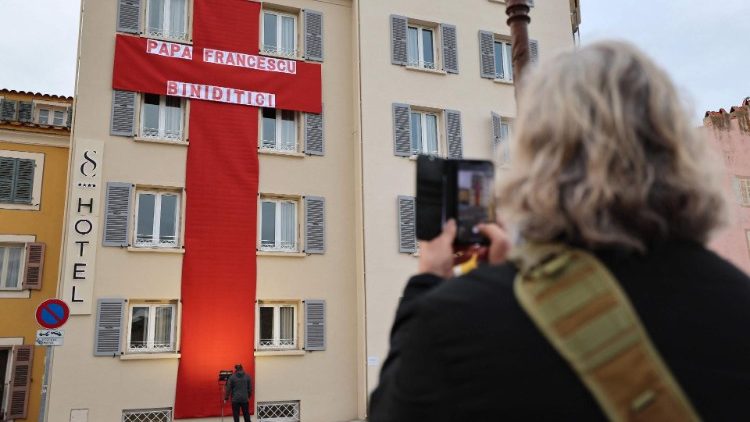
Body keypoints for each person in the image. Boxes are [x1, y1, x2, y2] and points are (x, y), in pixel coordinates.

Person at [369, 41, 750, 421]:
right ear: (678, 150)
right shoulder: (738, 301)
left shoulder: (455, 323)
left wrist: (432, 285)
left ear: (535, 159)